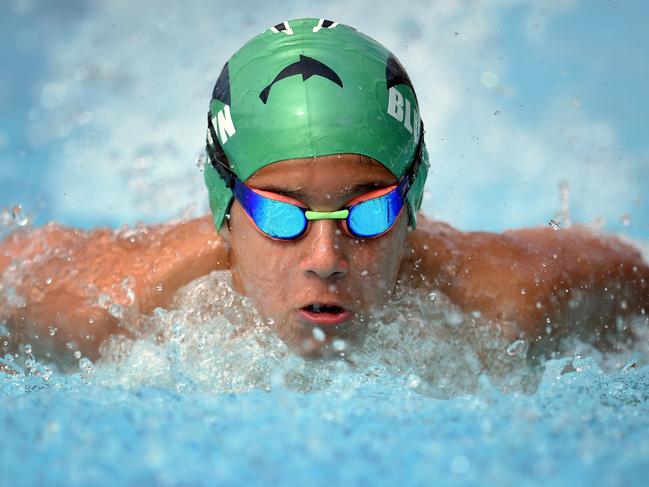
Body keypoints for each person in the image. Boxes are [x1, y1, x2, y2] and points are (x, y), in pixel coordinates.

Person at [0, 18, 647, 363]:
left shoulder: (506, 298)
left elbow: (632, 274)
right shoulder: (104, 307)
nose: (325, 258)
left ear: (412, 198)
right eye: (282, 214)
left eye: (366, 211)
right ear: (224, 205)